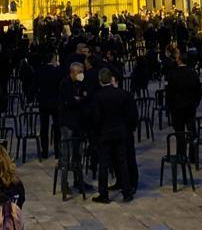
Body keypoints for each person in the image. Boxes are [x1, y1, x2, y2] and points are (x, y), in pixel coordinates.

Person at [89, 68, 136, 203]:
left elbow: (96, 118)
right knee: (122, 162)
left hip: (105, 134)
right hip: (120, 133)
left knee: (103, 164)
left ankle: (104, 194)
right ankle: (126, 192)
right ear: (111, 79)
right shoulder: (121, 94)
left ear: (100, 80)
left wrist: (96, 132)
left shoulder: (98, 96)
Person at [58, 61, 90, 198]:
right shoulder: (65, 84)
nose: (81, 74)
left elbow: (84, 96)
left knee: (78, 154)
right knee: (66, 155)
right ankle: (64, 185)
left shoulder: (80, 83)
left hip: (79, 123)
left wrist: (79, 99)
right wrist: (78, 99)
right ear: (72, 72)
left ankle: (79, 180)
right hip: (67, 124)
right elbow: (69, 101)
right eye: (79, 72)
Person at [166, 48, 202, 158]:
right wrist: (196, 102)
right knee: (192, 131)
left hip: (177, 107)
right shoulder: (193, 73)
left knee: (179, 132)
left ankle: (181, 154)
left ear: (179, 61)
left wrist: (170, 106)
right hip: (190, 106)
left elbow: (169, 92)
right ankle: (193, 155)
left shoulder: (173, 73)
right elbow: (199, 91)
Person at [35, 53, 64, 159]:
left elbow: (36, 84)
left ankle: (45, 151)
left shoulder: (39, 70)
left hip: (43, 102)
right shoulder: (58, 71)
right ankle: (57, 151)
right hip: (55, 102)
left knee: (44, 127)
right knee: (57, 128)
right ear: (53, 60)